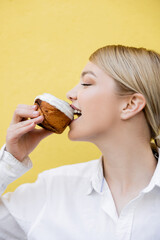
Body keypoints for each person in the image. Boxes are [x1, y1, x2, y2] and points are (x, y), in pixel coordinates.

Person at [0, 45, 160, 240]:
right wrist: (9, 161)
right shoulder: (52, 189)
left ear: (130, 104)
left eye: (86, 83)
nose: (70, 93)